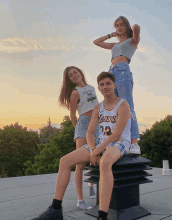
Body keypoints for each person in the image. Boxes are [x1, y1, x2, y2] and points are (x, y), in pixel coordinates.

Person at [32, 72, 131, 220]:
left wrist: (95, 152)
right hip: (99, 141)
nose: (105, 87)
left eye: (108, 83)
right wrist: (92, 150)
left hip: (119, 142)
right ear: (98, 87)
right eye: (102, 84)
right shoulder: (98, 107)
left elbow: (116, 135)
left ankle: (102, 215)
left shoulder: (123, 105)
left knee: (105, 163)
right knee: (64, 161)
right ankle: (55, 209)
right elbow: (90, 134)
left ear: (114, 85)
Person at [93, 16, 141, 154]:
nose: (119, 27)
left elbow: (137, 28)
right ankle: (115, 138)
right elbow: (96, 42)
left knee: (127, 105)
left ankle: (134, 142)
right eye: (116, 25)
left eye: (121, 25)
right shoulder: (114, 45)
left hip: (123, 71)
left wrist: (131, 29)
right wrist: (111, 35)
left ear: (126, 26)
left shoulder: (132, 41)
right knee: (112, 106)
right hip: (111, 72)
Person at [58, 66, 99, 210]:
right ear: (69, 79)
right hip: (83, 124)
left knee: (96, 156)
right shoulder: (75, 93)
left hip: (97, 124)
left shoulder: (92, 87)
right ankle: (80, 200)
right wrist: (79, 130)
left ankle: (92, 184)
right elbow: (72, 115)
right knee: (80, 163)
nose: (74, 75)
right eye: (71, 75)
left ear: (81, 73)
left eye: (75, 72)